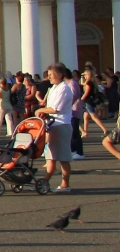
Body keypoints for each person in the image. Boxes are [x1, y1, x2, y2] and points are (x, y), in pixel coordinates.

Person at [37, 64, 77, 192]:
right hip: (52, 125)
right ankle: (44, 182)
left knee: (63, 157)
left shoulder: (64, 88)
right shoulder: (54, 87)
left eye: (51, 75)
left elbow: (56, 108)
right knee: (50, 156)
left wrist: (40, 110)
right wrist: (44, 112)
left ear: (60, 75)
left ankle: (65, 184)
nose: (49, 77)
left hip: (61, 125)